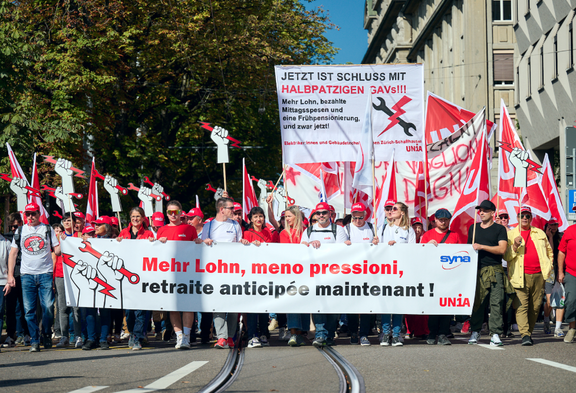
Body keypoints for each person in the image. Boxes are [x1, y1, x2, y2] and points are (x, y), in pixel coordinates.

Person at [6, 203, 61, 352]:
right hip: (26, 275)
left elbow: (57, 251)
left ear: (39, 214)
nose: (31, 217)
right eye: (28, 214)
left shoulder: (47, 229)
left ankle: (47, 334)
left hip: (45, 274)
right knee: (29, 310)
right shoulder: (20, 230)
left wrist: (64, 241)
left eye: (34, 214)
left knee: (48, 307)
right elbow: (13, 254)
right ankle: (35, 340)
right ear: (25, 215)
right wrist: (10, 275)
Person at [201, 197, 246, 349]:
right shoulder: (209, 225)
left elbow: (240, 243)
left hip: (233, 271)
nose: (234, 211)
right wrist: (203, 242)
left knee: (233, 306)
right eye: (231, 208)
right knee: (218, 305)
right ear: (222, 209)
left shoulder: (235, 225)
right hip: (215, 272)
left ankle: (231, 336)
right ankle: (221, 337)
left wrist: (243, 243)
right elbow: (200, 245)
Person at [503, 207, 553, 346]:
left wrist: (549, 266)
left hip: (539, 275)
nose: (524, 218)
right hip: (519, 276)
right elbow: (506, 256)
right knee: (521, 306)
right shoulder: (511, 234)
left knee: (536, 307)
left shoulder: (539, 233)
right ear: (517, 218)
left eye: (527, 216)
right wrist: (514, 247)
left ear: (531, 218)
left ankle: (528, 333)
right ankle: (525, 334)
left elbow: (549, 252)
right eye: (521, 215)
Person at [302, 202, 347, 348]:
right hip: (315, 275)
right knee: (318, 304)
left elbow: (340, 250)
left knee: (332, 308)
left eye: (324, 213)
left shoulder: (338, 230)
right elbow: (301, 248)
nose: (321, 215)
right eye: (319, 213)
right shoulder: (308, 231)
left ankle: (329, 333)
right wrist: (309, 244)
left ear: (330, 214)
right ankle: (320, 334)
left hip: (333, 274)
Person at [155, 201, 198, 349]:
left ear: (181, 212)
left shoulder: (190, 228)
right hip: (169, 273)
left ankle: (186, 336)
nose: (173, 215)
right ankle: (179, 336)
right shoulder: (161, 230)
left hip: (187, 272)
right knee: (172, 307)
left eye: (176, 212)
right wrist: (156, 242)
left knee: (187, 306)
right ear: (166, 213)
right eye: (170, 212)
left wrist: (198, 242)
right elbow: (155, 253)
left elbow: (196, 249)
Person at [467, 200, 509, 346]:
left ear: (493, 213)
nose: (481, 213)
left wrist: (482, 247)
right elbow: (468, 251)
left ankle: (495, 333)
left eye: (485, 210)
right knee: (478, 302)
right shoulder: (473, 228)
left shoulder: (499, 229)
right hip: (477, 270)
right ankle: (475, 330)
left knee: (496, 302)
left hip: (496, 270)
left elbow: (502, 249)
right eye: (480, 210)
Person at [338, 203, 378, 346]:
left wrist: (376, 242)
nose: (357, 221)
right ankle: (353, 333)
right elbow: (339, 248)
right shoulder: (346, 229)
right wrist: (345, 244)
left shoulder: (372, 228)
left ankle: (364, 334)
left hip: (369, 272)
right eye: (354, 217)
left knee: (366, 305)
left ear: (365, 216)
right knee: (353, 306)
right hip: (352, 273)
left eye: (360, 217)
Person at [421, 208, 462, 345]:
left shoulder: (455, 235)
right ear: (435, 221)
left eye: (445, 219)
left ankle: (443, 333)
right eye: (440, 219)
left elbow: (461, 254)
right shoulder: (427, 235)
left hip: (448, 276)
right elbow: (420, 254)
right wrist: (427, 246)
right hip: (432, 276)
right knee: (433, 306)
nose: (443, 222)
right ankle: (432, 333)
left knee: (446, 306)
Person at [117, 207, 155, 350]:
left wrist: (153, 243)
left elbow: (155, 253)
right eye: (133, 216)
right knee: (129, 312)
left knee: (140, 310)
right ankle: (132, 332)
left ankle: (137, 337)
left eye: (138, 216)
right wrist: (118, 241)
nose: (135, 219)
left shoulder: (148, 233)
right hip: (127, 276)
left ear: (143, 218)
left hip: (142, 275)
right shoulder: (124, 233)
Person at [380, 201, 415, 347]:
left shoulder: (409, 230)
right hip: (388, 270)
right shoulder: (385, 228)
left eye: (394, 209)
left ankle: (396, 334)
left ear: (402, 212)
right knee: (387, 303)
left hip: (402, 271)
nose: (391, 211)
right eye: (390, 209)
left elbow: (413, 250)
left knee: (398, 304)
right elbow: (380, 249)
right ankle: (385, 333)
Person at [243, 206, 277, 348]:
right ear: (250, 219)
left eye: (261, 216)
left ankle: (263, 333)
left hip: (265, 273)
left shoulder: (268, 233)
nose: (258, 219)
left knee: (264, 306)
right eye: (255, 217)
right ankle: (252, 335)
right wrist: (248, 244)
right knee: (252, 306)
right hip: (251, 274)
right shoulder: (247, 233)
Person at [280, 205, 308, 347]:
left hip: (305, 271)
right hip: (290, 272)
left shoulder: (306, 231)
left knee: (303, 302)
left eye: (289, 216)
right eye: (285, 217)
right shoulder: (284, 233)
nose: (287, 219)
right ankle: (293, 332)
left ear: (296, 216)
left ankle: (301, 332)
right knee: (292, 302)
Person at [3, 212, 30, 347]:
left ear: (21, 223)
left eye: (15, 226)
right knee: (10, 308)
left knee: (26, 307)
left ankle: (26, 333)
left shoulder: (27, 235)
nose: (14, 229)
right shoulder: (7, 238)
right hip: (11, 276)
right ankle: (10, 334)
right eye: (11, 227)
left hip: (25, 275)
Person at [543, 218, 565, 337]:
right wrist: (550, 237)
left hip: (560, 270)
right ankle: (546, 320)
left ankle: (558, 328)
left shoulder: (561, 236)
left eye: (555, 224)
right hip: (549, 271)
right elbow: (549, 254)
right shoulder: (542, 236)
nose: (553, 226)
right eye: (551, 224)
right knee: (549, 301)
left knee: (560, 299)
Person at [558, 223, 576, 343]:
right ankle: (572, 328)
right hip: (572, 272)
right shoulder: (570, 230)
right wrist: (560, 272)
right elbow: (561, 252)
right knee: (571, 301)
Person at [0, 215, 10, 353]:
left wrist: (9, 281)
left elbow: (10, 264)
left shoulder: (6, 243)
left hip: (1, 281)